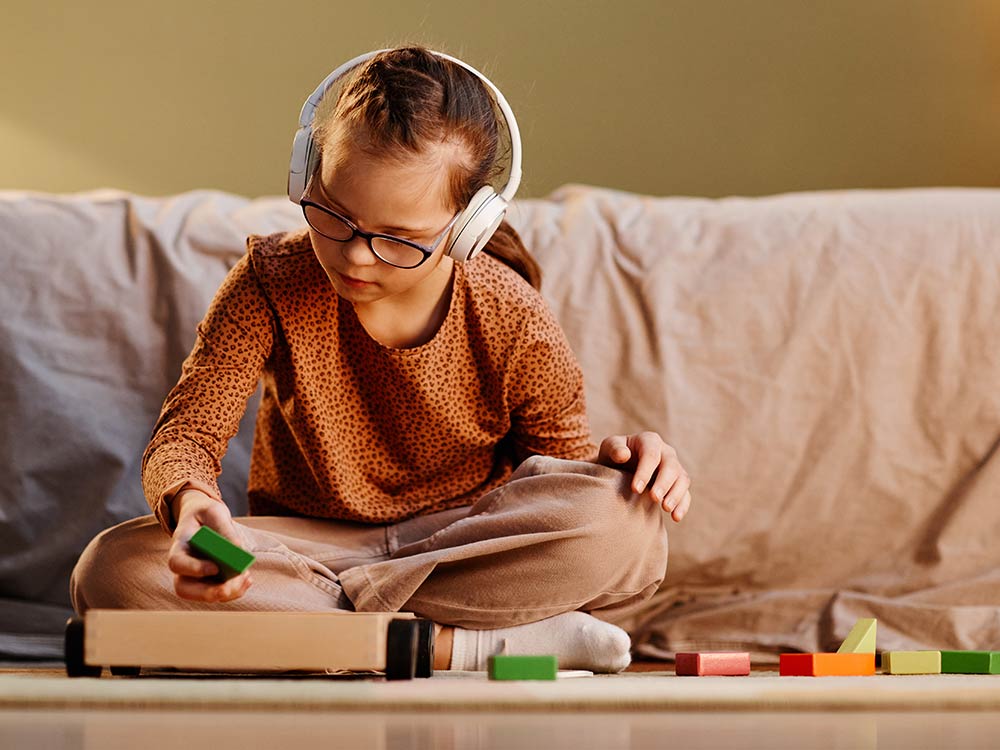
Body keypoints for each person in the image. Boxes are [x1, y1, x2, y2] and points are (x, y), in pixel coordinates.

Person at [71, 46, 692, 674]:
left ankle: (319, 632)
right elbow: (189, 432)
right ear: (305, 177)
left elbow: (553, 478)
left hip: (461, 546)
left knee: (627, 523)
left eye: (398, 239)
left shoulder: (513, 316)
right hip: (307, 553)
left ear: (465, 225)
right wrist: (189, 504)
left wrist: (615, 471)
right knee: (112, 569)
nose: (356, 257)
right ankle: (465, 646)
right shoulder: (269, 280)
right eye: (333, 217)